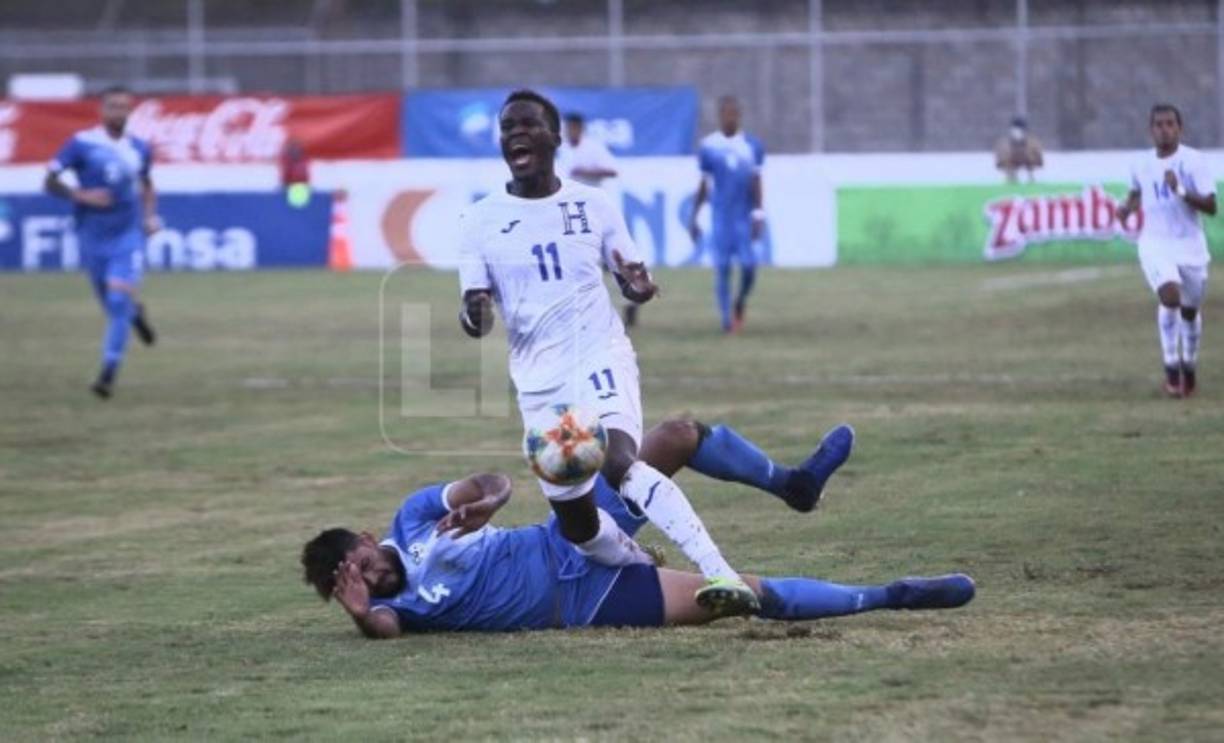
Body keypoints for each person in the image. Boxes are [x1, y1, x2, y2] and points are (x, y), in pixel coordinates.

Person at [456, 90, 851, 617]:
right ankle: (640, 557)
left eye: (526, 125)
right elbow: (471, 311)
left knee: (619, 461)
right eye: (507, 129)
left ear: (554, 138)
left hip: (598, 356)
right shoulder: (479, 221)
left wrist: (638, 287)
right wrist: (475, 315)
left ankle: (720, 572)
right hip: (539, 387)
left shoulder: (592, 205)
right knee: (577, 528)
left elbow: (631, 276)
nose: (515, 135)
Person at [301, 418, 974, 637]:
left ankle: (792, 483)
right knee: (744, 593)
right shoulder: (391, 609)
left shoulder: (414, 517)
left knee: (674, 435)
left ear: (364, 539)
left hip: (566, 534)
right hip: (584, 601)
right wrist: (360, 613)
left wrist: (491, 499)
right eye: (350, 584)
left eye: (359, 564)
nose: (365, 578)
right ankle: (896, 593)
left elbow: (488, 482)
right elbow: (385, 630)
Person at [44, 85, 159, 399]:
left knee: (118, 300)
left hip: (128, 235)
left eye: (124, 107)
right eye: (113, 106)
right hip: (92, 236)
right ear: (102, 110)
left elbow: (147, 184)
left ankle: (107, 373)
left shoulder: (140, 148)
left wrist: (150, 217)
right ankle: (136, 315)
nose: (119, 112)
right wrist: (80, 194)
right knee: (113, 305)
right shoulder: (82, 144)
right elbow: (50, 180)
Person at [1116, 103, 1216, 398]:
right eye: (1158, 124)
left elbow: (1211, 206)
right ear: (1151, 131)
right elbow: (1137, 193)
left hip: (1191, 246)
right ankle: (1171, 368)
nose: (1164, 129)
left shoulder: (1194, 161)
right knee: (1170, 296)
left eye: (1170, 124)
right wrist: (1126, 208)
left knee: (1189, 309)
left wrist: (1181, 190)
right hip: (1156, 243)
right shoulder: (1140, 164)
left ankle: (1190, 365)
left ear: (1180, 128)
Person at [556, 111, 641, 328]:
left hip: (595, 216)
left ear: (580, 128)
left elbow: (613, 171)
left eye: (574, 128)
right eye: (567, 128)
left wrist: (587, 171)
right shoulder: (562, 151)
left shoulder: (593, 148)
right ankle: (582, 313)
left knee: (612, 264)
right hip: (572, 217)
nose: (570, 132)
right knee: (579, 265)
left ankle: (629, 300)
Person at [689, 96, 765, 334]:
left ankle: (740, 301)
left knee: (749, 267)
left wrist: (758, 213)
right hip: (721, 218)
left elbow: (756, 180)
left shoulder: (752, 145)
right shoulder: (709, 147)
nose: (731, 118)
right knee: (722, 268)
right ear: (720, 116)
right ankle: (726, 321)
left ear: (739, 116)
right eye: (727, 114)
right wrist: (694, 216)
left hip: (743, 217)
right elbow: (704, 183)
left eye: (735, 113)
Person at [994, 115, 1044, 184]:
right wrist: (1009, 164)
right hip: (1010, 176)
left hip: (1030, 175)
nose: (1017, 132)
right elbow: (999, 162)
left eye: (1020, 129)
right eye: (1015, 129)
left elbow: (1039, 160)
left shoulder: (1032, 143)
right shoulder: (1004, 144)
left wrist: (1029, 163)